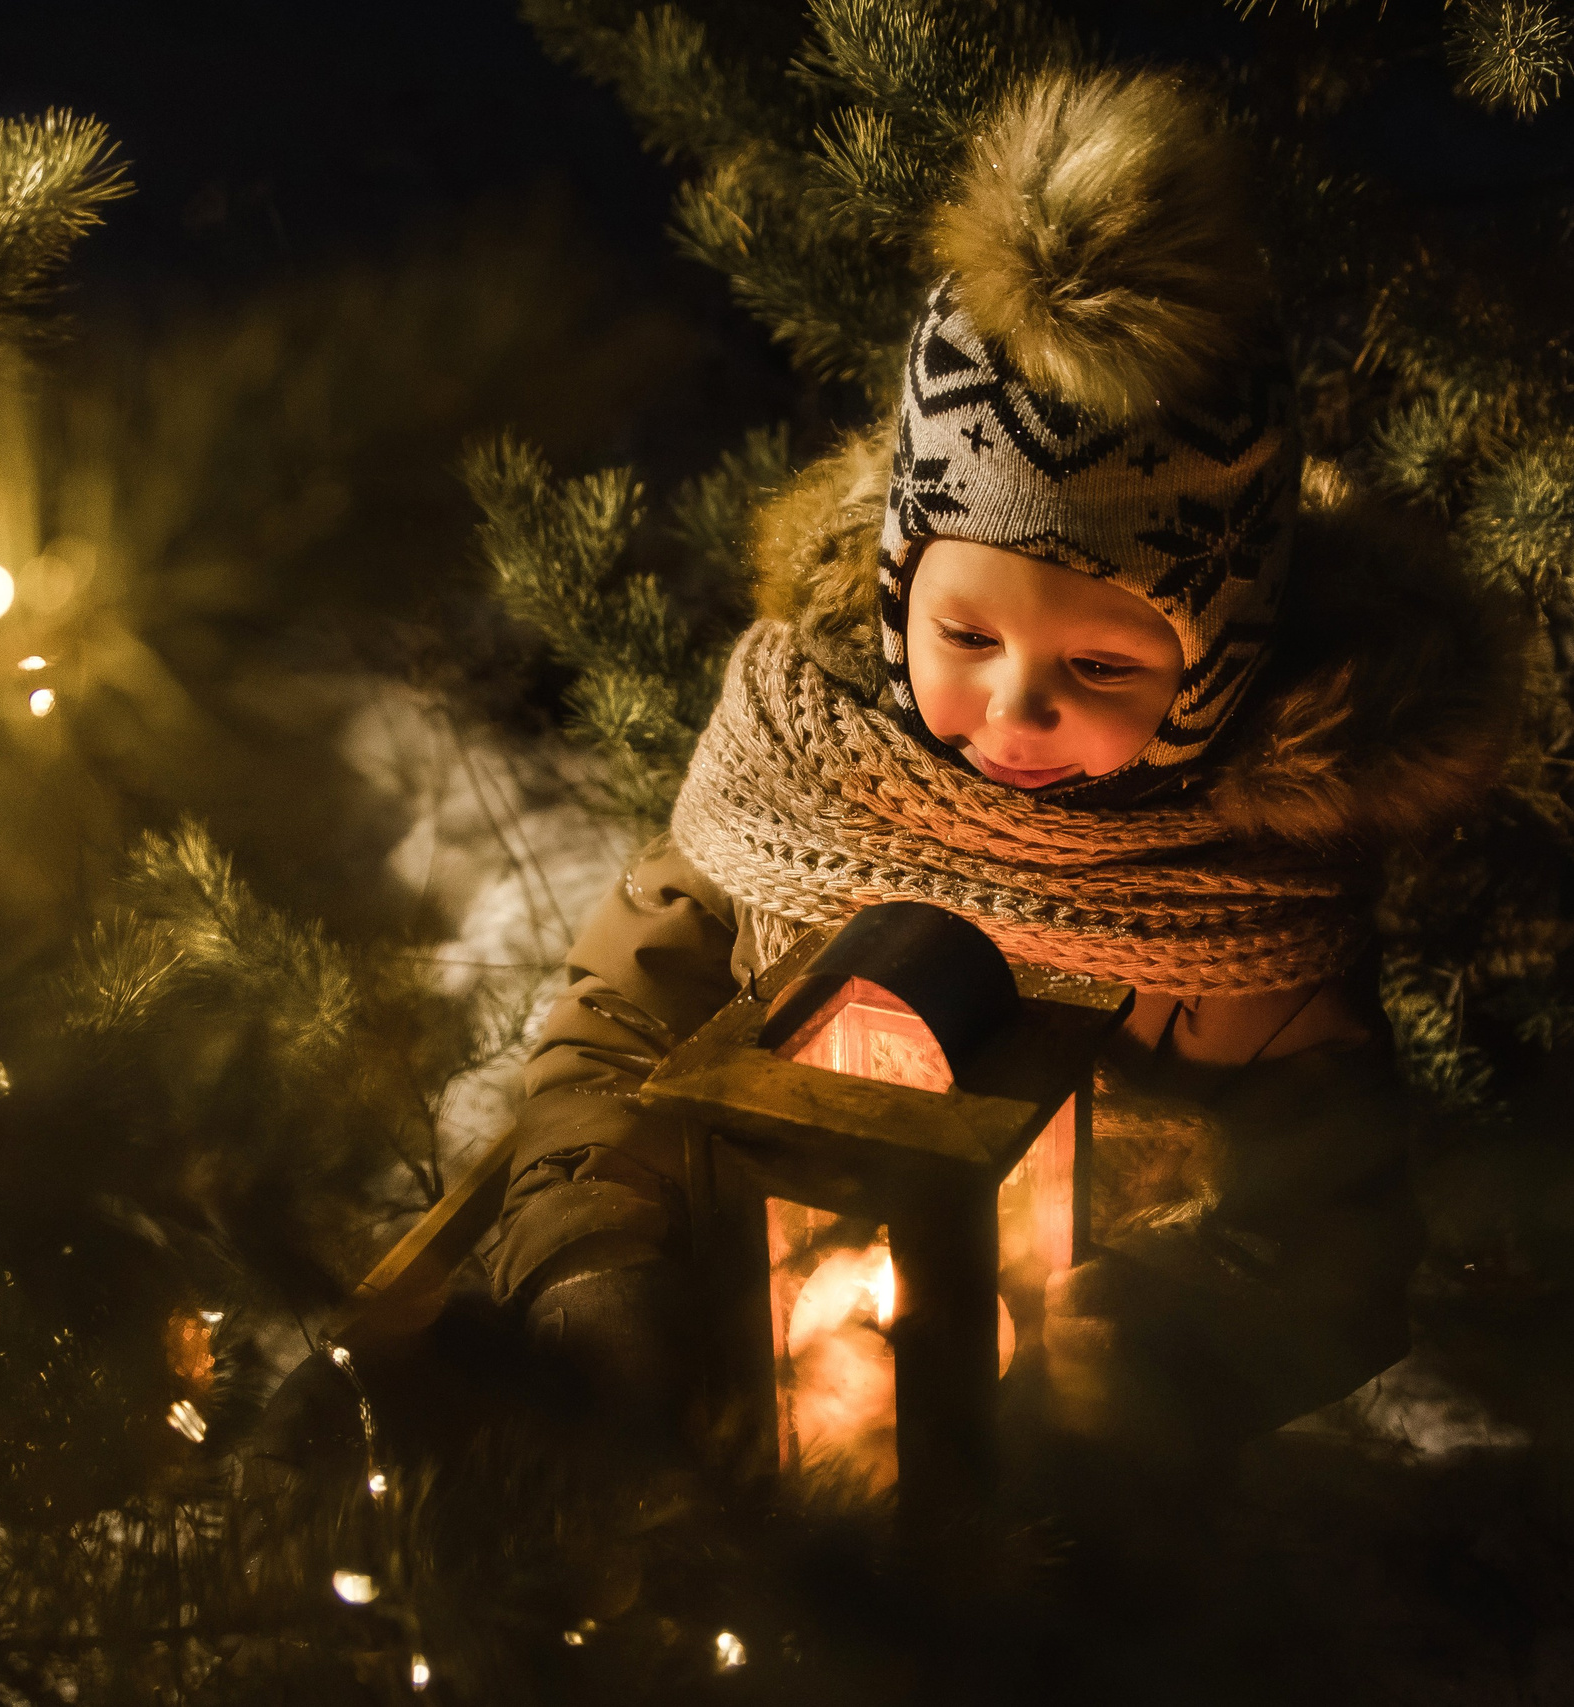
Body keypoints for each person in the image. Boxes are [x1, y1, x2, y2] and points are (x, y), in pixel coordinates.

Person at [476, 66, 1526, 1464]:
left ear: (1212, 669)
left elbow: (1329, 1223)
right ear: (900, 583)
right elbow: (613, 1029)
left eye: (1101, 667)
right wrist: (598, 1262)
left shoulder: (1248, 911)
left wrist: (1149, 1351)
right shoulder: (804, 772)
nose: (1015, 708)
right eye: (964, 633)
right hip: (758, 1402)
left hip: (1065, 1491)